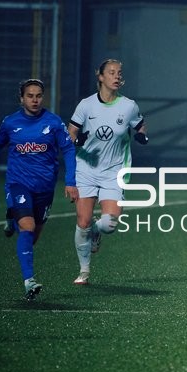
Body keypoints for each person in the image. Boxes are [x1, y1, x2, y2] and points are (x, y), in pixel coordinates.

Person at [0, 79, 78, 300]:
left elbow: (68, 150)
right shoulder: (11, 122)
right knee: (28, 227)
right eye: (30, 96)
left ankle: (11, 216)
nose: (34, 100)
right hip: (18, 183)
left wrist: (70, 182)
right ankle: (29, 280)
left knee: (33, 236)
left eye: (38, 95)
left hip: (45, 188)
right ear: (21, 98)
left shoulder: (53, 122)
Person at [67, 59, 147, 285]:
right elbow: (71, 131)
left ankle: (97, 232)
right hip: (86, 168)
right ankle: (84, 271)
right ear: (100, 76)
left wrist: (141, 135)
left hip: (114, 171)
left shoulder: (128, 105)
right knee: (83, 222)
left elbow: (140, 124)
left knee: (109, 224)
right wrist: (77, 138)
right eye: (111, 72)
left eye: (119, 73)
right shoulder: (86, 105)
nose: (116, 76)